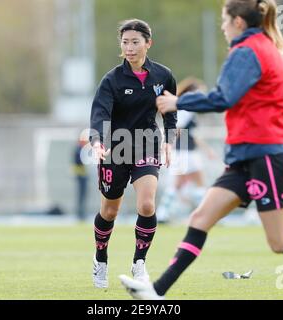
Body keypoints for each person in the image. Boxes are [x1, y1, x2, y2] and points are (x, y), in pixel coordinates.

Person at [119, 0, 283, 300]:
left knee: (280, 242)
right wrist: (275, 135)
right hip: (247, 157)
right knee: (200, 219)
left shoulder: (246, 51)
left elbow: (224, 98)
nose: (221, 26)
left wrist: (179, 102)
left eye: (224, 20)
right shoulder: (268, 48)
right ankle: (156, 292)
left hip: (264, 157)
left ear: (238, 23)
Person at [89, 19, 177, 288]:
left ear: (148, 43)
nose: (129, 47)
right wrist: (96, 142)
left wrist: (169, 141)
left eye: (135, 42)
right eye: (125, 42)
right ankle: (100, 258)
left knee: (147, 205)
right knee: (109, 211)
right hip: (115, 148)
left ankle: (139, 263)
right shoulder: (112, 80)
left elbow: (170, 111)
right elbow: (100, 113)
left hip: (147, 144)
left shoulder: (162, 76)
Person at [157, 77, 217, 223]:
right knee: (199, 183)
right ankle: (207, 215)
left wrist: (207, 149)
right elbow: (176, 129)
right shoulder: (185, 109)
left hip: (184, 151)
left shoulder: (186, 109)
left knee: (178, 184)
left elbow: (191, 134)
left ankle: (162, 214)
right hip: (186, 152)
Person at [72, 136, 89, 221]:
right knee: (81, 196)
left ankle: (82, 213)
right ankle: (80, 214)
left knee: (83, 196)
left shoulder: (80, 150)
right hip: (81, 176)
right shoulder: (78, 150)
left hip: (83, 175)